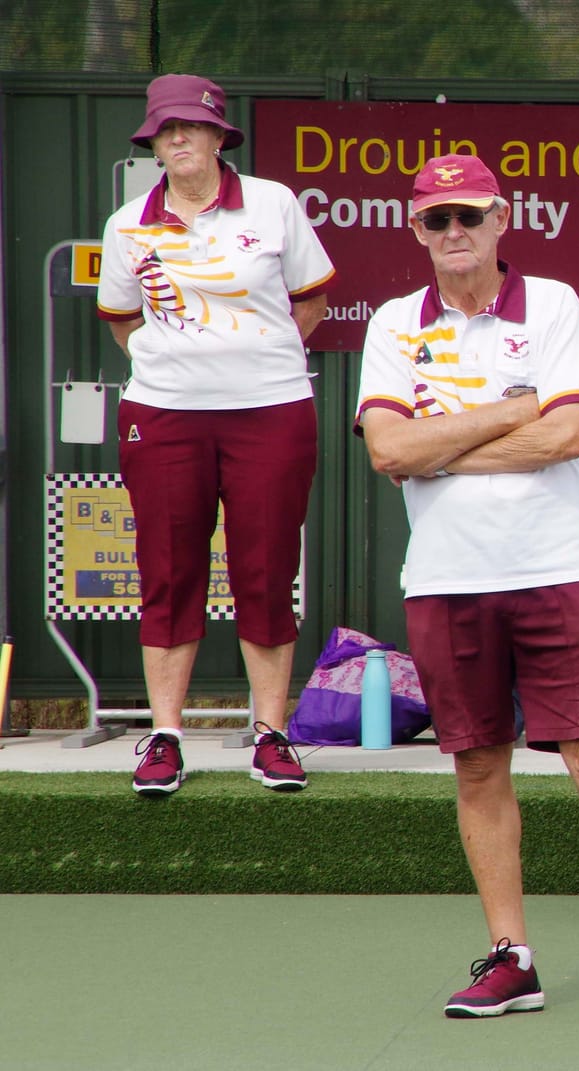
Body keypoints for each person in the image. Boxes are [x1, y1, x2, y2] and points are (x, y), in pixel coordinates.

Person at [355, 154, 579, 1026]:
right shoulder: (393, 323)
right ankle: (513, 959)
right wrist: (514, 409)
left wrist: (442, 439)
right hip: (445, 577)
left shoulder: (555, 304)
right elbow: (387, 452)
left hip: (559, 568)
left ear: (500, 219)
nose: (455, 233)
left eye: (469, 216)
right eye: (438, 220)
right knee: (477, 765)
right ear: (417, 228)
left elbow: (569, 433)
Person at [96, 74, 334, 798]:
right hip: (164, 414)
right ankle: (165, 736)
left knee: (265, 568)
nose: (178, 140)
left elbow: (314, 297)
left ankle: (270, 733)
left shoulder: (274, 204)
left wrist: (258, 359)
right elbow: (119, 317)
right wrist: (169, 363)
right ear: (153, 143)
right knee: (168, 569)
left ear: (218, 136)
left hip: (272, 410)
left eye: (191, 128)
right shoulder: (127, 223)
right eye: (164, 131)